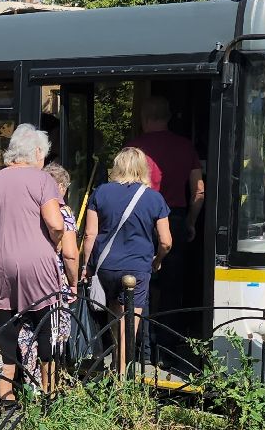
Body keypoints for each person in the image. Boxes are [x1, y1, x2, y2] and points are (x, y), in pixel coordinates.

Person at [0, 125, 67, 401]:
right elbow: (55, 223)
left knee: (6, 329)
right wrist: (56, 241)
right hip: (36, 264)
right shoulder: (43, 181)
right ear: (37, 152)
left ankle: (6, 397)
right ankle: (47, 392)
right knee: (45, 327)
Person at [81, 147, 172, 370]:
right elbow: (166, 241)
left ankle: (115, 364)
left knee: (115, 315)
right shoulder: (154, 198)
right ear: (143, 169)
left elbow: (90, 234)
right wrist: (157, 260)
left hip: (107, 267)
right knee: (130, 323)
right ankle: (122, 376)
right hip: (137, 268)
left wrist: (87, 266)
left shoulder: (100, 192)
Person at [125, 97, 202, 301]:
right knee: (174, 282)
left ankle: (144, 329)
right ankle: (171, 330)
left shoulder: (133, 149)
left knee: (141, 280)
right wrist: (191, 221)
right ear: (168, 117)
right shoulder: (186, 146)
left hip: (141, 219)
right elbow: (199, 190)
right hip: (175, 217)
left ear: (144, 118)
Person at [26, 162, 80, 392]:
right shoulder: (63, 211)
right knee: (54, 334)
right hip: (54, 281)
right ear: (57, 186)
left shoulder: (28, 208)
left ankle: (31, 385)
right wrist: (74, 283)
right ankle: (50, 389)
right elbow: (69, 253)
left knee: (28, 334)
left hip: (28, 279)